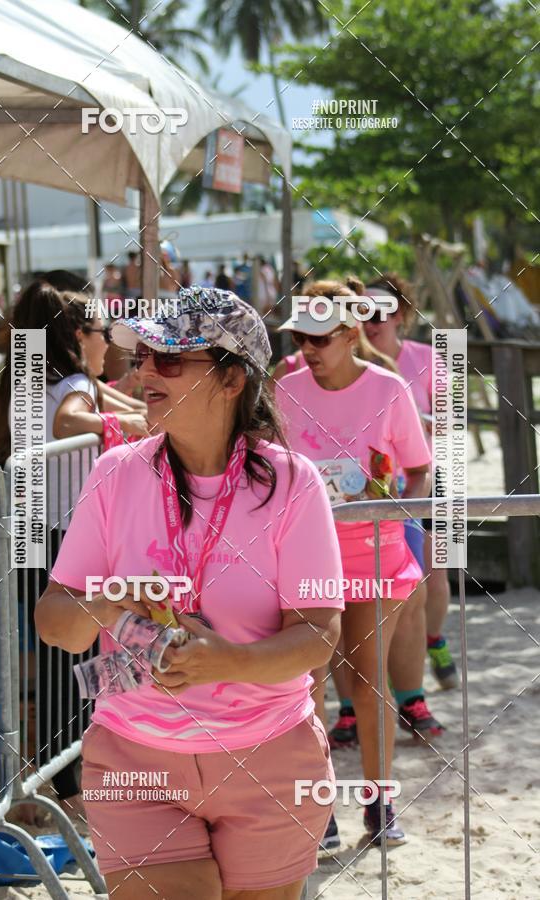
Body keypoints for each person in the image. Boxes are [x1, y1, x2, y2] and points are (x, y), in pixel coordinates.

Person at [35, 285, 344, 899]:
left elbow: (318, 636)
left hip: (270, 760)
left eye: (169, 359)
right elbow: (55, 622)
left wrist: (228, 661)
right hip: (135, 764)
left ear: (233, 380)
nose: (146, 371)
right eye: (142, 357)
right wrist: (105, 600)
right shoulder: (114, 473)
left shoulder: (294, 482)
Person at [275, 281, 431, 846]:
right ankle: (321, 814)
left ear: (349, 333)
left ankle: (380, 804)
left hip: (376, 555)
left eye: (319, 337)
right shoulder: (284, 390)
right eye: (299, 336)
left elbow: (418, 468)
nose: (308, 347)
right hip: (304, 560)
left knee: (368, 685)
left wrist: (398, 510)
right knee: (306, 685)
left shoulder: (388, 387)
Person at [0, 282, 148, 826]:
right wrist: (126, 426)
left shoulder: (32, 379)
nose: (112, 344)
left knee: (60, 662)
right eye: (105, 334)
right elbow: (73, 421)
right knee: (76, 665)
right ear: (80, 337)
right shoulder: (75, 383)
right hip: (64, 537)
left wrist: (133, 408)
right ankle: (66, 780)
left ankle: (51, 773)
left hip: (34, 532)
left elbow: (116, 400)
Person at [363, 273, 459, 692]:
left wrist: (419, 426)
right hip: (371, 487)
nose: (371, 321)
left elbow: (454, 422)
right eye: (361, 311)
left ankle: (433, 640)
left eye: (381, 311)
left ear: (400, 315)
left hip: (430, 476)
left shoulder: (428, 358)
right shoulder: (348, 363)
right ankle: (381, 674)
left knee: (435, 575)